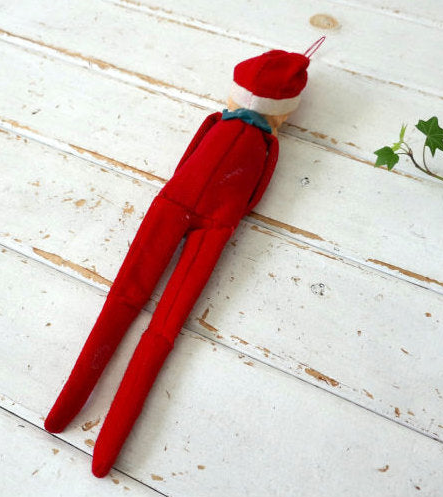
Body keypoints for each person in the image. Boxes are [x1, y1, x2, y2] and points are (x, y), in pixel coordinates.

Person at [44, 36, 325, 478]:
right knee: (162, 323)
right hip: (215, 222)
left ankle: (87, 427)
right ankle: (79, 420)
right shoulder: (270, 145)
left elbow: (187, 159)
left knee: (129, 299)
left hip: (176, 205)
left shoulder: (215, 121)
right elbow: (255, 195)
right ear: (284, 112)